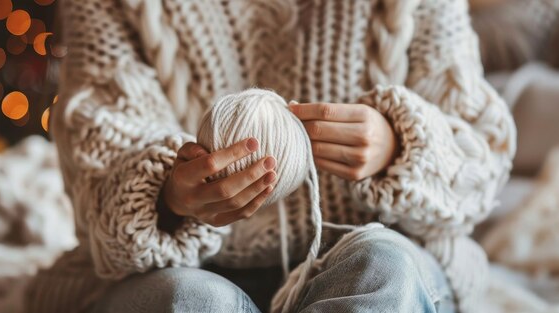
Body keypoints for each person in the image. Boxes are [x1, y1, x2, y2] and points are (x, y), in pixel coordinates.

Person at [26, 0, 516, 312]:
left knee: (384, 270)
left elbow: (481, 162)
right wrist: (167, 196)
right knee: (187, 301)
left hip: (380, 253)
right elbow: (100, 167)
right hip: (182, 269)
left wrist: (401, 144)